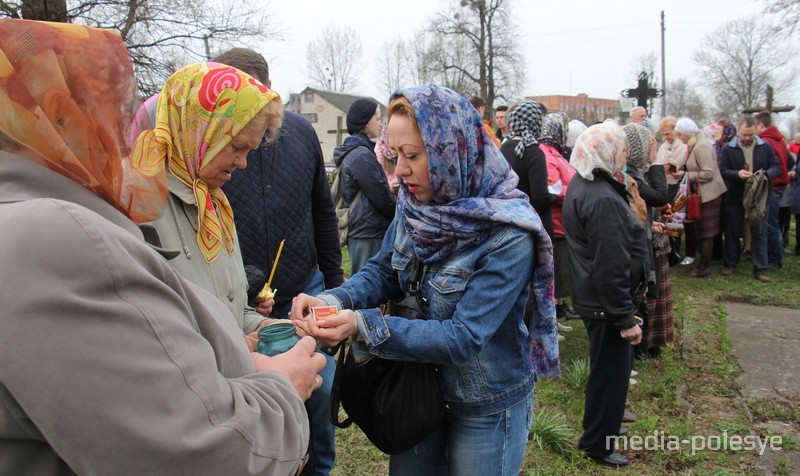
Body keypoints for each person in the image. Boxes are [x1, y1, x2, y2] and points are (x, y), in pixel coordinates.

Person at [0, 19, 324, 475]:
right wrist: (277, 382)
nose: (115, 131)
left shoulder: (215, 205)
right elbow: (159, 367)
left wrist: (264, 325)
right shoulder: (127, 207)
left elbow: (210, 307)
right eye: (103, 110)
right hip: (235, 417)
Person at [291, 84, 559, 475]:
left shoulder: (507, 233)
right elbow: (385, 270)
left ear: (452, 152)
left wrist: (363, 325)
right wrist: (336, 301)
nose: (399, 171)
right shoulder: (416, 205)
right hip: (418, 390)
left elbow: (463, 337)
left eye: (412, 156)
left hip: (485, 405)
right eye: (395, 155)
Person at [211, 48, 344, 476]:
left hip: (306, 286)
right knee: (259, 400)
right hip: (246, 306)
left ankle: (319, 469)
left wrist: (336, 285)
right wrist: (245, 285)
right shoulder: (211, 150)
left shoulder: (303, 134)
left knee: (320, 393)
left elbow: (322, 210)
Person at [563, 122, 646, 468]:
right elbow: (610, 267)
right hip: (605, 305)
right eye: (622, 148)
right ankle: (597, 443)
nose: (625, 155)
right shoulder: (601, 199)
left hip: (597, 300)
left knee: (607, 372)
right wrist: (625, 319)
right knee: (611, 377)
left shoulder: (584, 183)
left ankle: (604, 428)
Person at [334, 98, 395, 273]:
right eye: (377, 118)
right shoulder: (361, 155)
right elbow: (381, 198)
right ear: (365, 122)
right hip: (368, 230)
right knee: (367, 281)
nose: (380, 123)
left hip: (364, 228)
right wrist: (397, 211)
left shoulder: (358, 151)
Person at [718, 116, 781, 282]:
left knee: (759, 232)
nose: (747, 138)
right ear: (738, 131)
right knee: (731, 231)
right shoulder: (728, 149)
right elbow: (723, 170)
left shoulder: (765, 146)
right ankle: (730, 264)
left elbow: (776, 167)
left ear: (756, 132)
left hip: (759, 197)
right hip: (735, 194)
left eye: (751, 135)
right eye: (745, 135)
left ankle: (761, 268)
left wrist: (765, 175)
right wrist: (737, 174)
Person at [674, 118, 727, 277]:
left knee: (706, 232)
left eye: (681, 135)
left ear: (687, 134)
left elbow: (708, 173)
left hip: (709, 195)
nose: (680, 138)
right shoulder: (697, 144)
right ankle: (702, 264)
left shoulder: (702, 146)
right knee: (702, 231)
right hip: (702, 194)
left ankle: (704, 267)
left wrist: (685, 175)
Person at [538, 113, 578, 321]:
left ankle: (559, 310)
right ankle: (552, 316)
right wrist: (573, 194)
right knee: (555, 277)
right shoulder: (545, 154)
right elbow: (551, 188)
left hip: (563, 224)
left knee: (560, 277)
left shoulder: (556, 152)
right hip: (555, 224)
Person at [501, 100, 555, 238]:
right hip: (532, 223)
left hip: (508, 220)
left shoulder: (504, 147)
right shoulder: (534, 152)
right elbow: (540, 198)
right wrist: (555, 197)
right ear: (535, 122)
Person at [754, 111, 790, 269]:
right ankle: (775, 254)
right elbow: (790, 160)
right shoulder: (779, 139)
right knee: (773, 223)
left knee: (770, 224)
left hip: (773, 184)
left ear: (761, 125)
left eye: (755, 126)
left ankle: (775, 257)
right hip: (780, 183)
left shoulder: (766, 142)